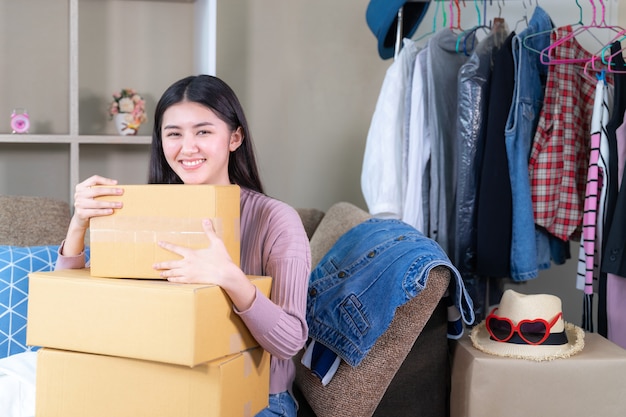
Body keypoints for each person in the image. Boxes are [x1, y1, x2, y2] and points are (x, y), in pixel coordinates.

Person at [55, 74, 311, 417]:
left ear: (234, 138)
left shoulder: (276, 220)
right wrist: (78, 225)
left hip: (257, 399)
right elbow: (75, 309)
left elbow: (290, 341)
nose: (187, 147)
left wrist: (231, 278)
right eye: (173, 134)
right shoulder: (147, 211)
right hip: (163, 388)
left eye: (203, 132)